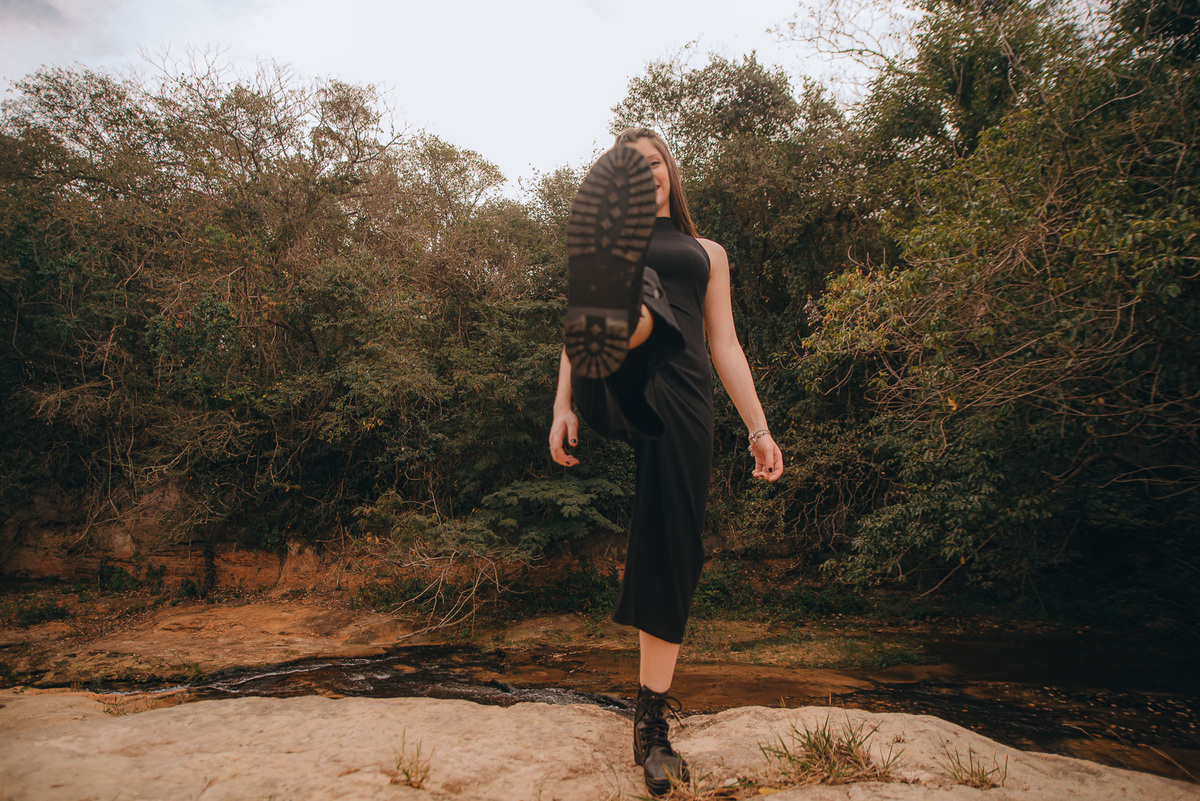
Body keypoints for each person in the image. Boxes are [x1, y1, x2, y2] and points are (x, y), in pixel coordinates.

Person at [549, 128, 783, 796]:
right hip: (613, 373)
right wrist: (563, 406)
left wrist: (758, 429)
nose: (647, 173)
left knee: (673, 544)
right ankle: (641, 311)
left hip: (681, 396)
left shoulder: (709, 253)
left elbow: (726, 342)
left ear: (670, 175)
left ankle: (651, 726)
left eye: (656, 164)